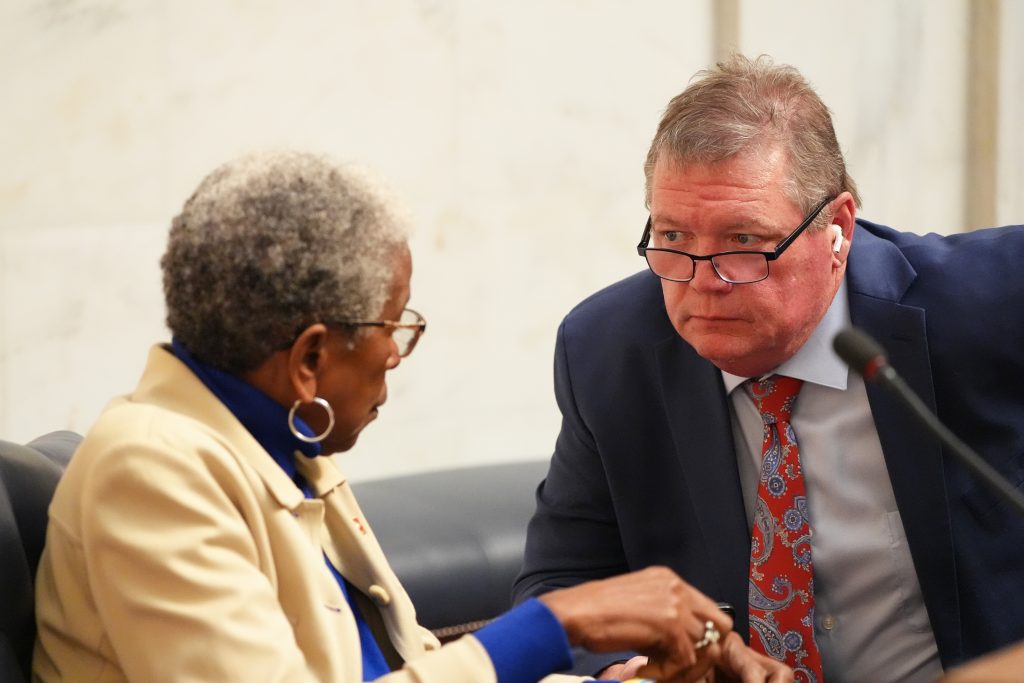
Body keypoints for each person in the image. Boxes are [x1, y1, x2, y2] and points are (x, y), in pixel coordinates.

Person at [32, 151, 790, 683]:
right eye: (394, 326)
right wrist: (557, 622)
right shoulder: (150, 470)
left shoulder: (279, 446)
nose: (397, 355)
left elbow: (403, 666)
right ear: (310, 359)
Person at [513, 54, 1024, 683]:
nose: (704, 282)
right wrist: (628, 671)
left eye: (743, 242)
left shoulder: (992, 303)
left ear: (836, 228)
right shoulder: (610, 351)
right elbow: (562, 584)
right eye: (673, 238)